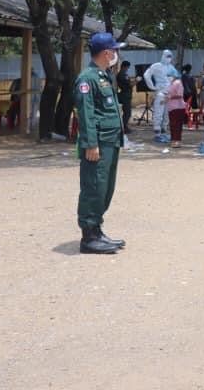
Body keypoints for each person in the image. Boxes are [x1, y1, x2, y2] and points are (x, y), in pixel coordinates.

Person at [75, 33, 127, 255]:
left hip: (110, 141)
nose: (116, 54)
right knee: (94, 186)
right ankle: (88, 237)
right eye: (114, 50)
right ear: (106, 53)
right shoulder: (87, 79)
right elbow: (86, 114)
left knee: (105, 187)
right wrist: (90, 144)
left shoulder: (103, 76)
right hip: (98, 143)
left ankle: (97, 230)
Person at [143, 50, 175, 142]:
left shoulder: (171, 67)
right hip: (160, 93)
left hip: (168, 94)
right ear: (163, 56)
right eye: (167, 56)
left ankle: (164, 132)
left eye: (170, 56)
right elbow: (146, 75)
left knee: (167, 115)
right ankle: (157, 134)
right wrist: (152, 87)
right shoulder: (156, 66)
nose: (169, 58)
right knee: (158, 113)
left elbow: (174, 79)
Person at [166, 69, 186, 148]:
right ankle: (173, 140)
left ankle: (177, 141)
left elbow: (180, 95)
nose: (168, 77)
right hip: (171, 107)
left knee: (177, 125)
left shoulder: (178, 83)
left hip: (178, 107)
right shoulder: (171, 83)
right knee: (172, 125)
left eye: (169, 76)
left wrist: (170, 97)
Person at [116, 61, 133, 135]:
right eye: (127, 67)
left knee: (127, 113)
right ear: (124, 67)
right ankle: (123, 128)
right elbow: (129, 84)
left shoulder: (124, 74)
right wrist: (136, 81)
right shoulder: (122, 74)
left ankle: (124, 127)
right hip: (124, 96)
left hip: (126, 95)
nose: (127, 69)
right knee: (127, 113)